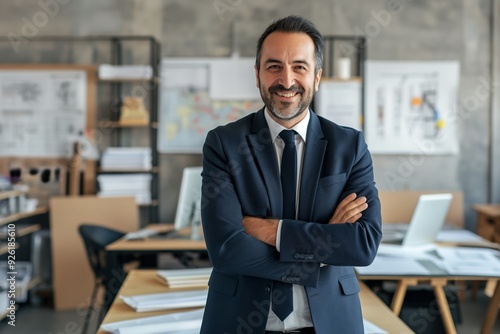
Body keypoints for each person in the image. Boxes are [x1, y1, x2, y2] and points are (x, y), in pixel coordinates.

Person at [200, 15, 382, 334]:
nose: (286, 80)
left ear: (317, 76)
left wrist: (276, 232)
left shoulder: (349, 146)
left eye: (299, 66)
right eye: (273, 66)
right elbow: (227, 250)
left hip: (330, 322)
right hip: (239, 322)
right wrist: (325, 243)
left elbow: (363, 243)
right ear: (257, 74)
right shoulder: (224, 144)